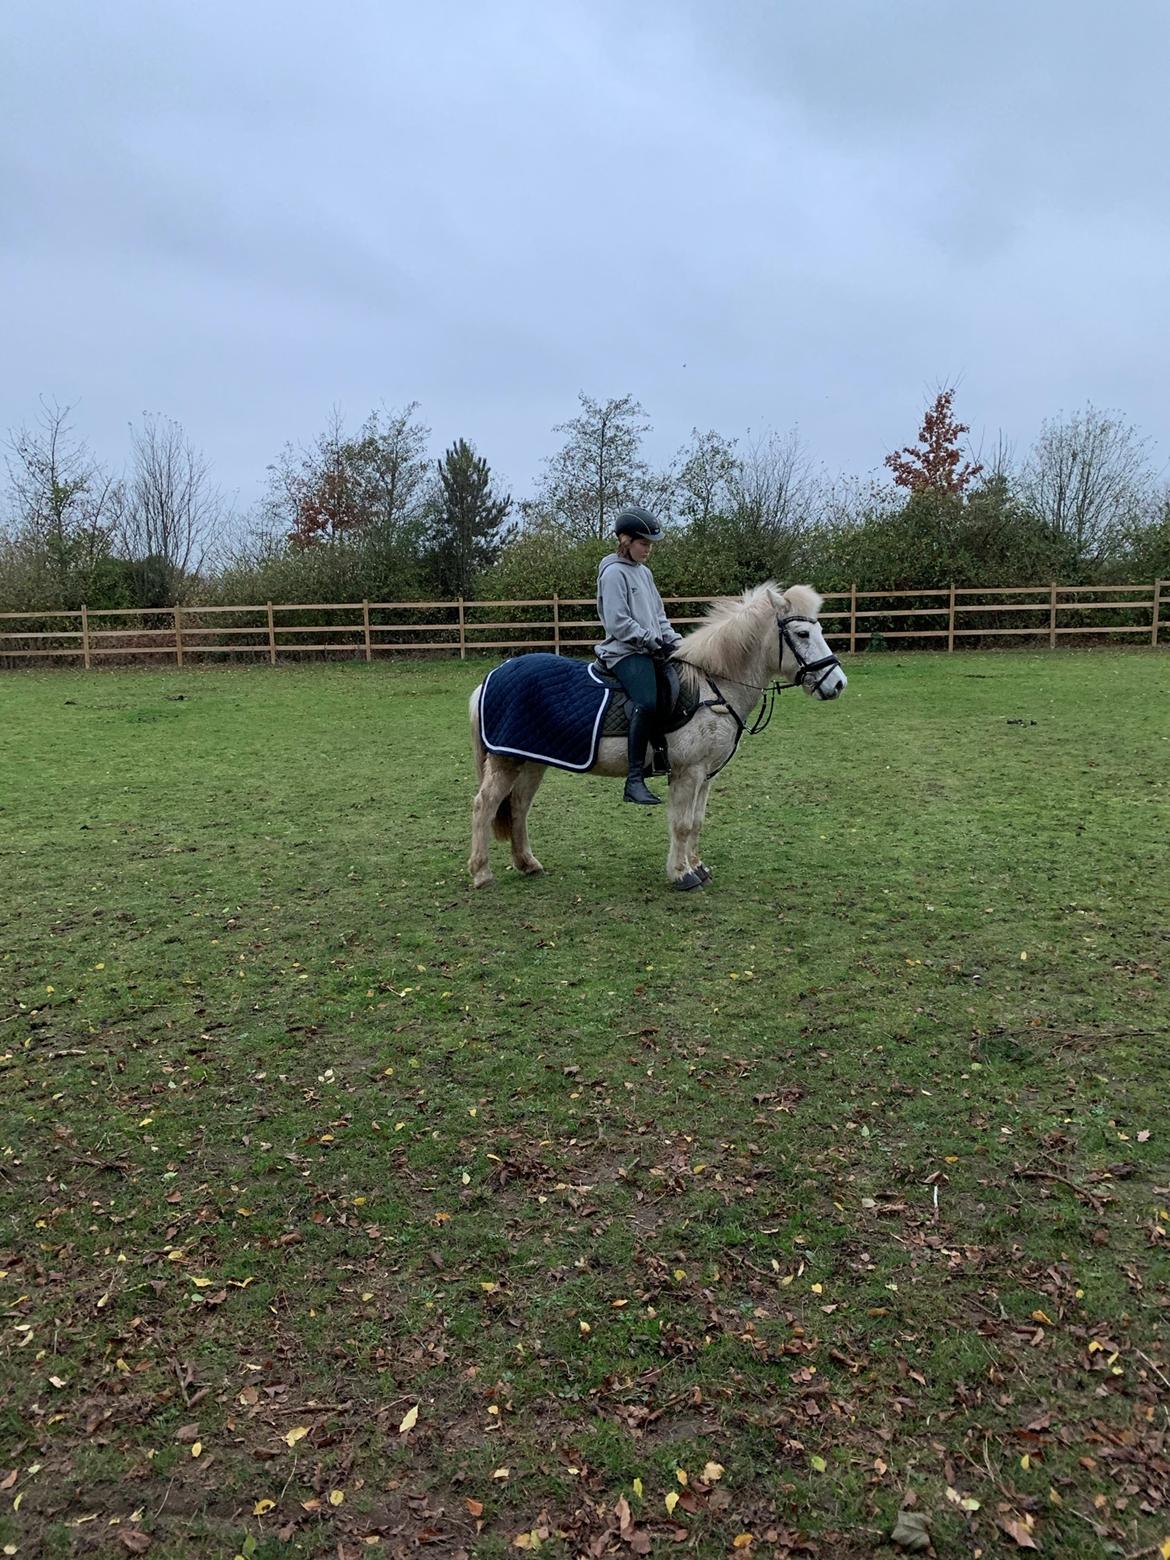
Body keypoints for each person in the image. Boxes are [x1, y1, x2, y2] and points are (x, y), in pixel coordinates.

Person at [595, 506, 683, 804]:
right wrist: (650, 642)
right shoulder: (613, 574)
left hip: (649, 648)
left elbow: (659, 616)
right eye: (643, 543)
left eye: (649, 545)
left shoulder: (644, 573)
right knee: (646, 700)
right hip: (624, 652)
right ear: (625, 540)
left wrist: (675, 642)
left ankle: (662, 756)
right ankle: (634, 779)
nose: (648, 550)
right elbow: (619, 623)